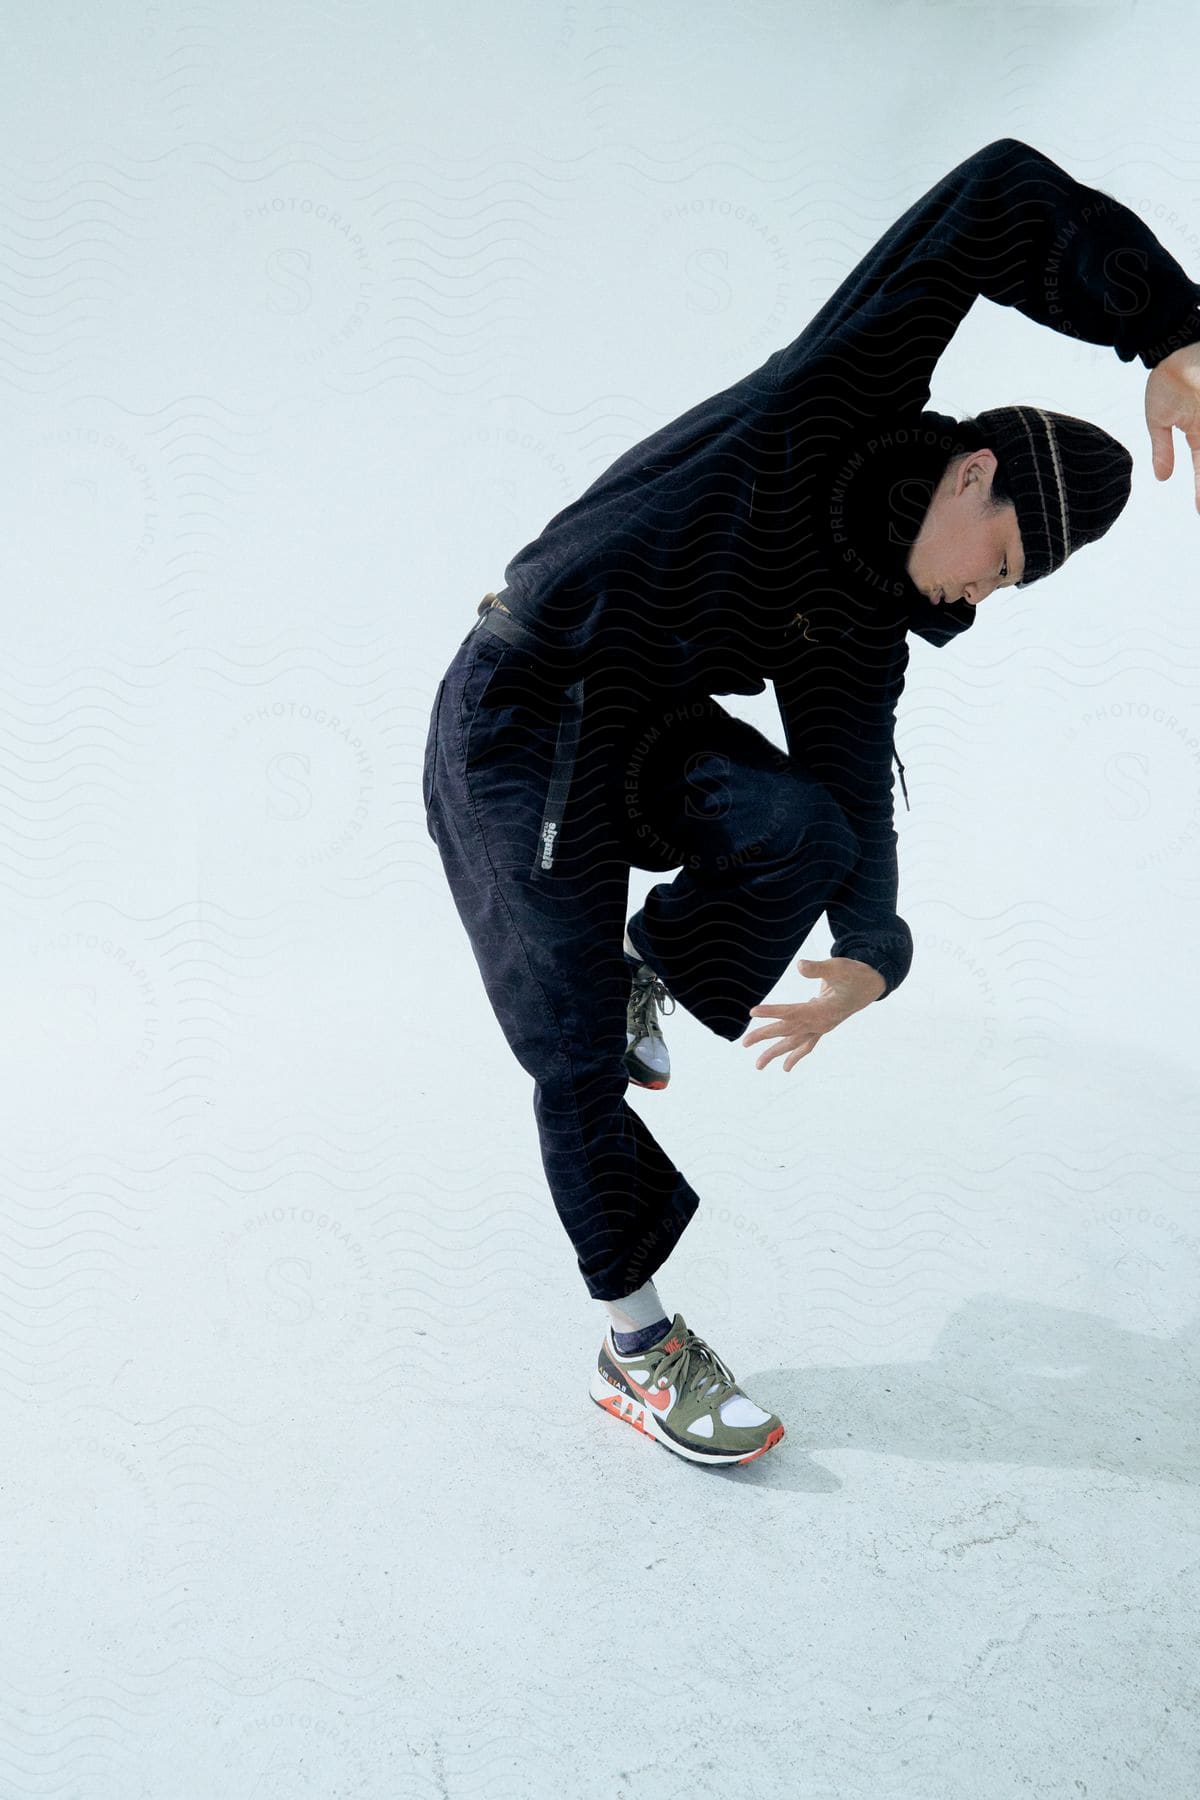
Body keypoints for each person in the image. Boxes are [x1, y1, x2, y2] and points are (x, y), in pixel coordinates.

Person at [421, 137, 1200, 1468]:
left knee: (805, 826)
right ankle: (638, 1344)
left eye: (1008, 593)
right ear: (970, 476)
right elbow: (993, 196)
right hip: (519, 710)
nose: (981, 597)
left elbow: (850, 800)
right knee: (570, 1053)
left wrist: (873, 953)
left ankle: (643, 971)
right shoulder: (842, 397)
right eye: (1000, 560)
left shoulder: (858, 629)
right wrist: (1173, 328)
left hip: (642, 739)